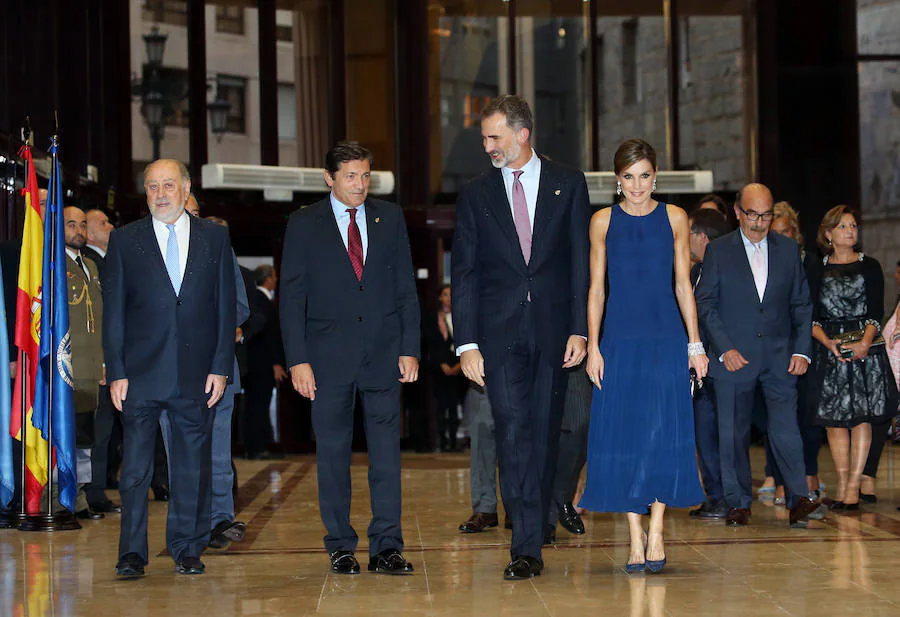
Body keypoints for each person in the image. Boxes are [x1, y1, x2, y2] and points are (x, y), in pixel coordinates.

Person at [451, 94, 590, 580]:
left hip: (555, 333)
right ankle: (525, 544)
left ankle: (538, 519)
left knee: (546, 435)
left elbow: (579, 262)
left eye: (494, 136)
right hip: (499, 337)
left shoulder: (567, 185)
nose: (487, 145)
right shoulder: (475, 194)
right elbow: (464, 272)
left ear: (522, 134)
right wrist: (466, 343)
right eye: (484, 138)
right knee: (511, 434)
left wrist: (580, 328)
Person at [280, 141, 420, 576]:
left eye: (365, 176)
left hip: (382, 357)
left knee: (386, 459)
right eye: (350, 177)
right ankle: (340, 544)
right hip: (326, 362)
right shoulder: (303, 223)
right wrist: (298, 360)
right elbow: (291, 297)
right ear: (329, 178)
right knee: (334, 457)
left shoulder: (390, 217)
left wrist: (409, 347)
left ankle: (387, 546)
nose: (360, 185)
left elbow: (405, 291)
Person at [104, 158, 236, 578]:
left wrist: (220, 366)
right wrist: (117, 369)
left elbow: (224, 307)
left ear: (186, 187)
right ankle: (131, 553)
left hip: (196, 375)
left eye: (168, 185)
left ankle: (187, 547)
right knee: (136, 471)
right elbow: (115, 314)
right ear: (146, 193)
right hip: (140, 375)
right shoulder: (126, 240)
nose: (160, 194)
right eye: (152, 187)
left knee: (190, 468)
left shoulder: (215, 239)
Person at [580, 139, 707, 574]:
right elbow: (596, 289)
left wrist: (695, 344)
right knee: (626, 437)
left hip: (664, 340)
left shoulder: (675, 218)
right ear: (618, 179)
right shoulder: (601, 222)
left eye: (645, 176)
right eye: (629, 176)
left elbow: (683, 286)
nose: (637, 185)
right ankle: (634, 539)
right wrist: (593, 346)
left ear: (656, 176)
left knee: (659, 436)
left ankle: (656, 531)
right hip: (619, 341)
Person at [695, 183, 820, 529]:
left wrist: (801, 351)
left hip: (780, 356)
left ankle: (798, 498)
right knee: (732, 433)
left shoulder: (787, 249)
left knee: (785, 428)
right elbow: (705, 304)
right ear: (737, 212)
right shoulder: (718, 251)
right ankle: (737, 503)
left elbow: (801, 305)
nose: (760, 222)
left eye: (766, 215)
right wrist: (724, 348)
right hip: (733, 357)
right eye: (753, 214)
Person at [807, 206, 898, 510]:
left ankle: (854, 487)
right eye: (843, 226)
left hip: (865, 349)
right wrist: (827, 342)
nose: (850, 231)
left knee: (862, 417)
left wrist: (864, 342)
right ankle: (844, 480)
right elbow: (811, 316)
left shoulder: (869, 266)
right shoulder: (816, 267)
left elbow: (875, 312)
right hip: (830, 347)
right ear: (828, 233)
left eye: (854, 226)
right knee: (834, 420)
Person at [759, 201, 826, 513]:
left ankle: (808, 475)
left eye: (788, 230)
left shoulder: (812, 262)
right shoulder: (762, 260)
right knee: (778, 418)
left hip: (807, 345)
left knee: (810, 418)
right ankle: (781, 478)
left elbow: (811, 306)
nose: (783, 236)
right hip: (773, 350)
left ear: (797, 234)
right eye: (777, 231)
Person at [63, 206, 106, 521]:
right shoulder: (52, 263)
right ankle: (63, 499)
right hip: (67, 363)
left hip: (92, 363)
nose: (77, 230)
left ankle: (82, 497)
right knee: (68, 431)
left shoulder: (91, 264)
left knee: (88, 435)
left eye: (81, 224)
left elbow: (100, 316)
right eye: (70, 224)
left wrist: (104, 360)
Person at [687, 208, 731, 519]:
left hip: (723, 365)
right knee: (704, 435)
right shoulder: (692, 272)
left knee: (726, 435)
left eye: (689, 233)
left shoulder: (729, 270)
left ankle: (729, 496)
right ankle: (715, 495)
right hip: (700, 369)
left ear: (702, 237)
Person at [244, 264, 287, 459]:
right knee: (258, 405)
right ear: (268, 279)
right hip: (261, 365)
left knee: (256, 404)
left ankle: (256, 446)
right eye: (274, 276)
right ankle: (257, 448)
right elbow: (268, 336)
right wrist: (276, 363)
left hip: (256, 364)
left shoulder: (259, 299)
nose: (276, 279)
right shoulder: (261, 301)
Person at [424, 284, 466, 452]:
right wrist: (442, 364)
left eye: (451, 294)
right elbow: (430, 343)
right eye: (445, 294)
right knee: (441, 405)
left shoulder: (460, 317)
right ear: (440, 297)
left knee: (456, 405)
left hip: (459, 367)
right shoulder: (432, 318)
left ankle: (455, 440)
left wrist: (458, 365)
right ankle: (442, 440)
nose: (448, 298)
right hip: (439, 368)